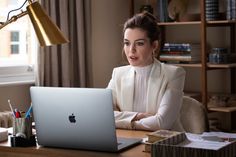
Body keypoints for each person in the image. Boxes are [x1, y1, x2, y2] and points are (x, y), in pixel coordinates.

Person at [107, 12, 186, 131]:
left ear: (154, 45)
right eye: (127, 43)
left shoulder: (174, 74)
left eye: (139, 43)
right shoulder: (118, 74)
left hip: (166, 144)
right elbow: (103, 115)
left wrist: (128, 123)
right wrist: (137, 116)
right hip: (130, 140)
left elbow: (161, 123)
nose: (131, 50)